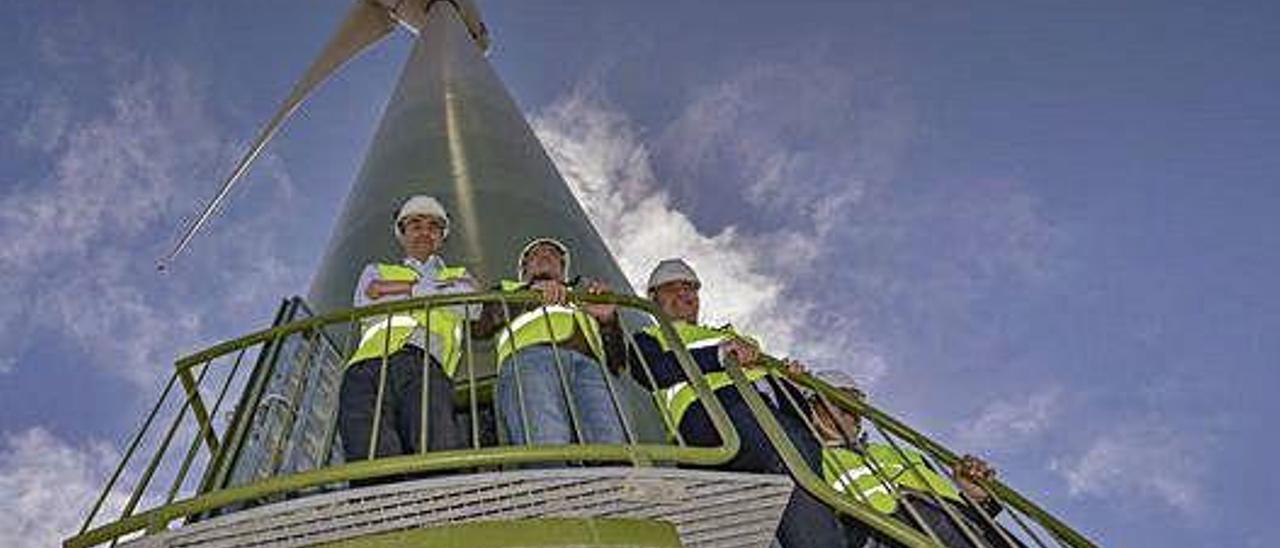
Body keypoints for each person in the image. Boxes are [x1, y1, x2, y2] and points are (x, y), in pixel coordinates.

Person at [629, 258, 846, 548]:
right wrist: (718, 357)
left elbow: (777, 394)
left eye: (690, 288)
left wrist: (792, 385)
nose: (683, 294)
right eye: (671, 288)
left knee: (795, 477)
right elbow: (651, 371)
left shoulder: (730, 336)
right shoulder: (651, 336)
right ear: (653, 298)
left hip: (764, 417)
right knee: (790, 459)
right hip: (712, 420)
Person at [338, 195, 477, 467]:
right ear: (402, 234)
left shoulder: (459, 273)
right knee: (371, 457)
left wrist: (401, 290)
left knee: (436, 453)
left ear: (441, 237)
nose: (424, 232)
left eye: (433, 226)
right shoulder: (376, 269)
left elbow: (473, 307)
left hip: (426, 365)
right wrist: (442, 291)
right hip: (368, 368)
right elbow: (368, 301)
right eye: (415, 224)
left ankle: (440, 507)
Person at [812, 384, 1023, 548]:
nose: (849, 415)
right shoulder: (808, 454)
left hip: (966, 533)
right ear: (812, 408)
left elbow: (958, 509)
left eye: (852, 408)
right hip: (890, 537)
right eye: (836, 403)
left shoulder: (903, 452)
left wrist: (976, 497)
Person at [472, 237, 627, 446]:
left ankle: (614, 477)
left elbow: (617, 362)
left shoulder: (584, 296)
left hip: (591, 369)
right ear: (523, 269)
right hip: (530, 362)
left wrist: (608, 321)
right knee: (545, 439)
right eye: (537, 254)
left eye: (553, 255)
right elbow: (480, 327)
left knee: (611, 442)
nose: (546, 256)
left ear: (563, 270)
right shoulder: (506, 289)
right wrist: (530, 296)